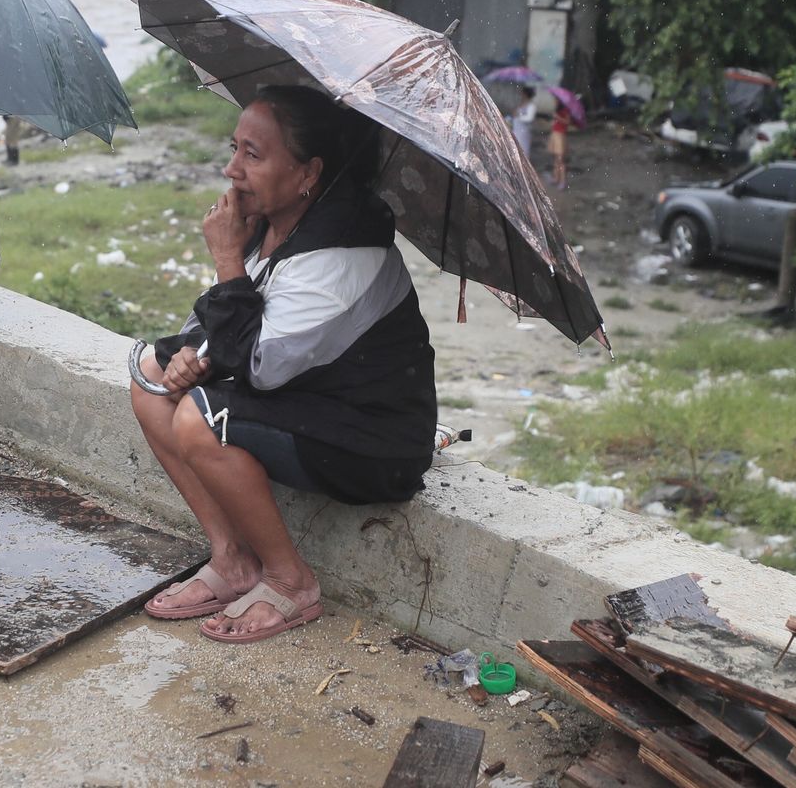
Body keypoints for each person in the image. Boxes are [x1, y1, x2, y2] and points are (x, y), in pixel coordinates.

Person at [131, 85, 437, 644]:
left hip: (372, 437)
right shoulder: (274, 222)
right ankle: (233, 563)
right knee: (153, 379)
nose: (231, 170)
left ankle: (292, 583)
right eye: (234, 148)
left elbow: (262, 365)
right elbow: (220, 325)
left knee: (200, 419)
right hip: (307, 400)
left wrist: (226, 257)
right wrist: (188, 357)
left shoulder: (343, 253)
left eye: (253, 154)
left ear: (307, 173)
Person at [548, 102, 571, 189]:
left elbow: (567, 122)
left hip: (560, 136)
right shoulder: (557, 110)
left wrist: (558, 117)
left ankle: (563, 181)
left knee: (560, 160)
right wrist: (553, 121)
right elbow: (555, 124)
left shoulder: (566, 110)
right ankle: (556, 178)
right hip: (555, 135)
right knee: (555, 159)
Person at [511, 85, 537, 160]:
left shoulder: (532, 106)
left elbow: (529, 118)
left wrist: (518, 116)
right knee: (515, 149)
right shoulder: (521, 104)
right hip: (516, 130)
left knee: (523, 151)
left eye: (522, 93)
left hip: (524, 132)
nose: (521, 95)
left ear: (525, 94)